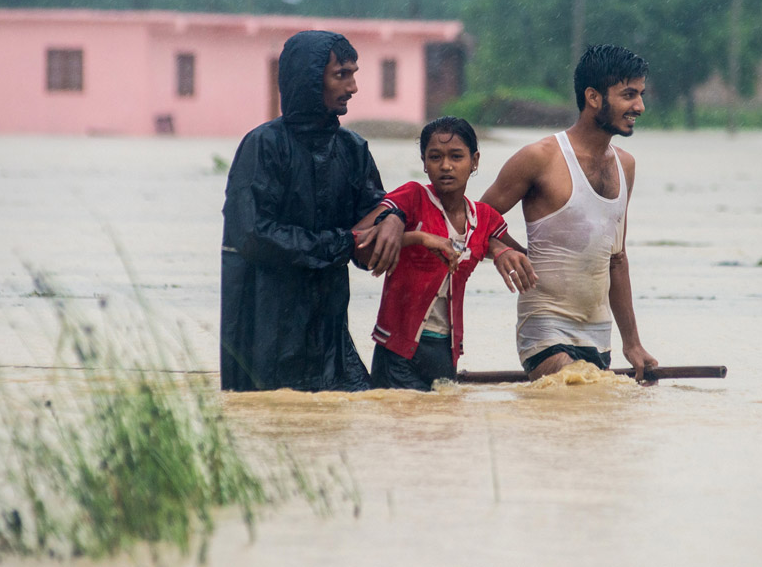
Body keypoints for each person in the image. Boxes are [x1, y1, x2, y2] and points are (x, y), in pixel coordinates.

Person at [219, 30, 404, 392]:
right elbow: (253, 236)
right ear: (308, 79)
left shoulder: (352, 149)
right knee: (268, 414)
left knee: (350, 414)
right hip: (265, 335)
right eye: (341, 75)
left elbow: (374, 221)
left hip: (330, 337)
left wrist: (395, 216)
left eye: (354, 74)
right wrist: (343, 243)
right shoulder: (263, 146)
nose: (353, 87)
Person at [479, 44, 659, 381]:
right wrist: (502, 249)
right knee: (574, 388)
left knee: (592, 407)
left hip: (598, 334)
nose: (640, 106)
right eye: (629, 95)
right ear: (593, 97)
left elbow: (617, 259)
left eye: (640, 94)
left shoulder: (626, 166)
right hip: (544, 328)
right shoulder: (540, 157)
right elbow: (472, 220)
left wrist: (632, 344)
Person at [354, 116, 536, 390]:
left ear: (475, 161)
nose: (446, 166)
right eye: (435, 157)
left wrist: (502, 250)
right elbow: (357, 241)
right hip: (397, 351)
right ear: (424, 163)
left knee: (445, 417)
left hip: (445, 351)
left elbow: (522, 254)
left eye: (456, 156)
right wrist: (418, 238)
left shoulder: (484, 217)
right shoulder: (412, 197)